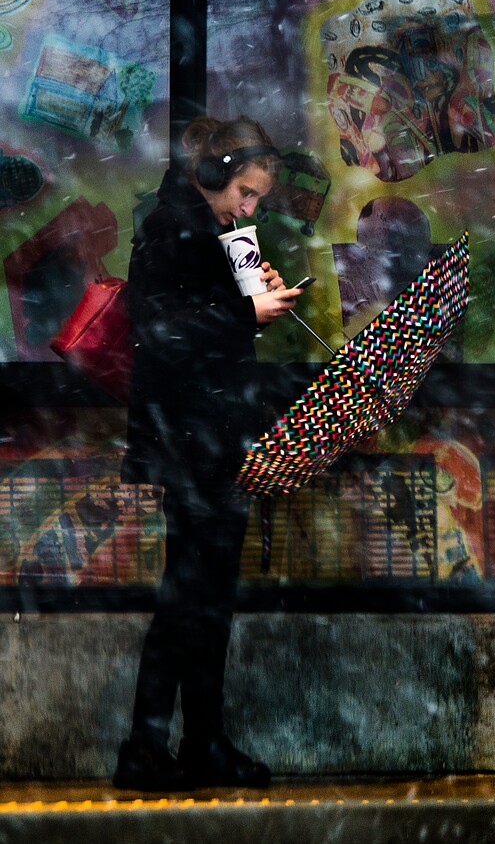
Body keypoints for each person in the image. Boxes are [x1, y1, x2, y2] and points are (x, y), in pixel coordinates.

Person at [114, 115, 301, 792]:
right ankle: (157, 746)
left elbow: (203, 325)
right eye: (245, 193)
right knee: (192, 595)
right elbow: (160, 332)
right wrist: (246, 315)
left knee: (202, 597)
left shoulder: (212, 230)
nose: (248, 208)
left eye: (256, 200)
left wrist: (254, 292)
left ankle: (190, 742)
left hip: (209, 439)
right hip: (190, 442)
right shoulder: (169, 225)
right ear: (216, 170)